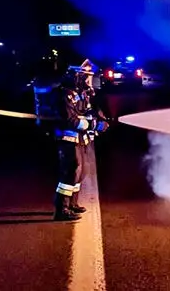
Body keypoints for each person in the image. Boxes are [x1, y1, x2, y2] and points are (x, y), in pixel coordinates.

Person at [53, 60, 109, 221]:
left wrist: (100, 118)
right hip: (68, 138)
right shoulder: (65, 94)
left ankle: (72, 203)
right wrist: (94, 125)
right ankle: (61, 209)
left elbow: (88, 110)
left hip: (79, 138)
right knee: (71, 171)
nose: (89, 80)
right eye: (86, 77)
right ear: (76, 76)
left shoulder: (82, 93)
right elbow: (70, 120)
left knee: (80, 172)